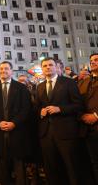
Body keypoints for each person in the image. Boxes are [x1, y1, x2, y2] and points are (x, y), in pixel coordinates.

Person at [35, 57, 88, 184]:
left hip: (66, 133)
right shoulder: (40, 86)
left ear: (56, 67)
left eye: (50, 65)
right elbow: (36, 108)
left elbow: (79, 105)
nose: (48, 67)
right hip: (46, 134)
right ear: (42, 69)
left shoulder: (68, 83)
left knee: (71, 168)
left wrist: (60, 109)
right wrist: (40, 112)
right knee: (52, 169)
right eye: (45, 66)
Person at [0, 61, 32, 185]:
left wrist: (14, 123)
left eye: (6, 69)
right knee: (2, 165)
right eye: (1, 69)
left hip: (17, 131)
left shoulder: (21, 87)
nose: (3, 71)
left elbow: (26, 108)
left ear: (11, 71)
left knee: (19, 164)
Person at [78, 53, 98, 183]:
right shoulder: (85, 81)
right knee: (94, 163)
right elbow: (77, 102)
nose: (93, 62)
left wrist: (96, 115)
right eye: (91, 60)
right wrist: (81, 116)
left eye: (96, 60)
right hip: (87, 130)